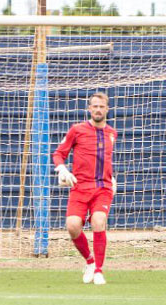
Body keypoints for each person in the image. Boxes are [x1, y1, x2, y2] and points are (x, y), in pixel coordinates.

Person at [52, 92, 118, 285]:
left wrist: (111, 179)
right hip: (80, 188)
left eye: (101, 106)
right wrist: (63, 170)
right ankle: (89, 261)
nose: (98, 109)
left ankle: (98, 270)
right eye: (94, 106)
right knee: (72, 226)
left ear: (107, 109)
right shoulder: (77, 130)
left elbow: (105, 160)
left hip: (102, 188)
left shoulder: (112, 133)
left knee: (99, 221)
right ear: (89, 109)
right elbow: (58, 153)